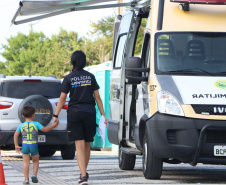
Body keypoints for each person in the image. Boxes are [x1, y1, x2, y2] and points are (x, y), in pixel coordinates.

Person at [53, 50, 108, 185]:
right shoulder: (90, 77)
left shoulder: (68, 78)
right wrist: (103, 115)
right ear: (84, 62)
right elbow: (98, 97)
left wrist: (56, 114)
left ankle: (83, 175)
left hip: (75, 113)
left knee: (79, 145)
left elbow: (62, 98)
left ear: (72, 62)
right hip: (89, 112)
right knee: (87, 143)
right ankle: (84, 173)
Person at [14, 105, 59, 184]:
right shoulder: (36, 124)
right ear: (34, 114)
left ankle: (26, 180)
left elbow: (15, 135)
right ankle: (34, 175)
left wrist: (16, 145)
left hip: (25, 146)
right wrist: (53, 126)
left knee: (26, 163)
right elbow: (45, 130)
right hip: (33, 146)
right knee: (35, 161)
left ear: (23, 115)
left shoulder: (21, 125)